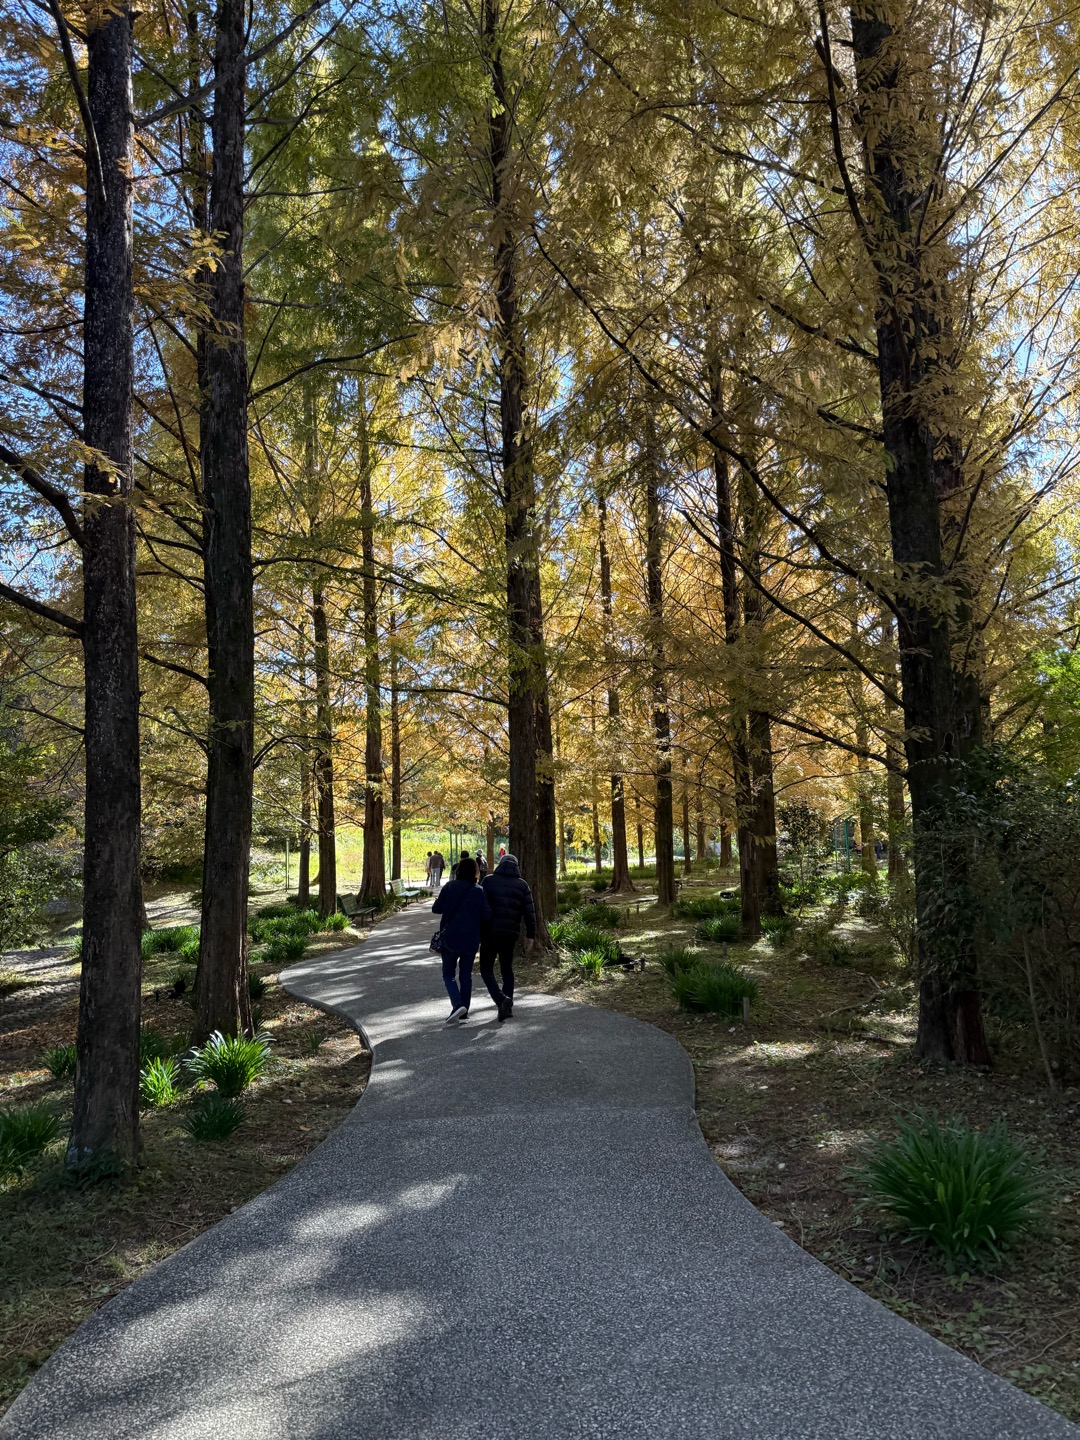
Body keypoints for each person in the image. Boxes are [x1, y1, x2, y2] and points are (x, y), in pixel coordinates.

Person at [432, 854, 491, 1022]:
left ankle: (457, 1004)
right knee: (466, 976)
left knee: (448, 974)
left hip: (450, 937)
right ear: (475, 872)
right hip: (471, 939)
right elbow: (487, 915)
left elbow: (436, 909)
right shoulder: (479, 891)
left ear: (458, 871)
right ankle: (464, 1011)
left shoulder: (450, 887)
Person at [479, 852, 535, 1022]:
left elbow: (480, 906)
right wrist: (530, 935)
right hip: (510, 934)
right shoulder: (522, 885)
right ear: (516, 867)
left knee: (486, 968)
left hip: (489, 933)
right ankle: (507, 1007)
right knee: (506, 968)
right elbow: (529, 913)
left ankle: (501, 999)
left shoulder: (488, 881)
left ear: (500, 864)